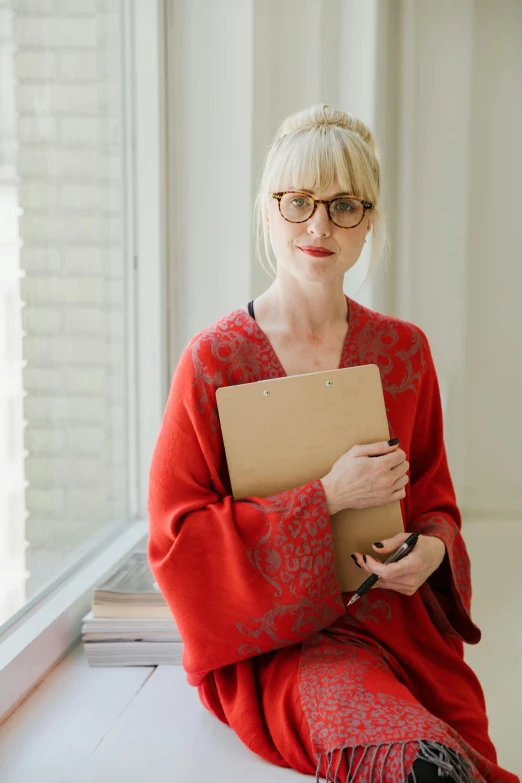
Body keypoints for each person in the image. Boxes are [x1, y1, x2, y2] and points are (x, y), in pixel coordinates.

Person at [147, 104, 519, 783]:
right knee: (421, 763)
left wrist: (427, 551)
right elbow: (178, 546)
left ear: (369, 219)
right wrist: (326, 497)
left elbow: (434, 498)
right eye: (298, 203)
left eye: (344, 205)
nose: (319, 225)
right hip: (281, 646)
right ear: (268, 211)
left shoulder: (404, 351)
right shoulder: (213, 362)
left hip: (398, 625)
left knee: (463, 758)